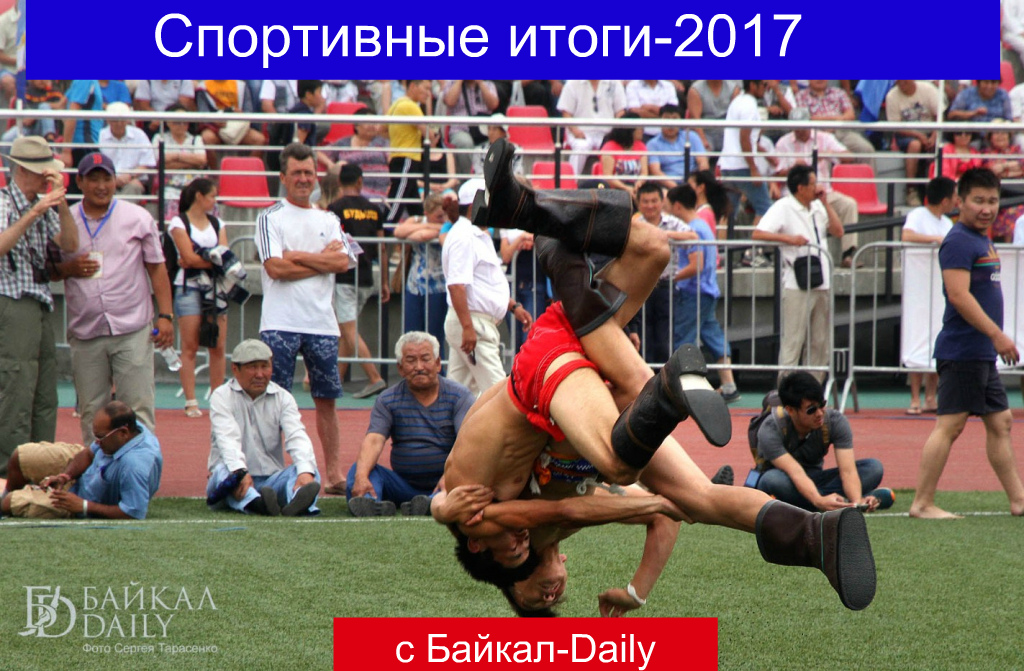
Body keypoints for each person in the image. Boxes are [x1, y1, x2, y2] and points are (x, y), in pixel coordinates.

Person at [451, 138, 876, 612]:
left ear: (496, 566)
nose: (549, 590)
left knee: (620, 462)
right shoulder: (536, 530)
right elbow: (663, 516)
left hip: (546, 373)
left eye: (532, 593)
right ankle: (815, 535)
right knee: (655, 248)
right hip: (582, 390)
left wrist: (442, 506)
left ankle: (660, 380)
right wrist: (638, 588)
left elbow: (560, 507)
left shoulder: (495, 522)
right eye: (553, 597)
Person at [910, 168, 1024, 520]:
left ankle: (1019, 500)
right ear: (960, 201)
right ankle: (922, 503)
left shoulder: (979, 239)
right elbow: (958, 295)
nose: (986, 208)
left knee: (1001, 422)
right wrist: (997, 335)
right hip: (962, 350)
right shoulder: (959, 240)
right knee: (950, 425)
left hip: (980, 353)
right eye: (978, 201)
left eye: (992, 201)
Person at [255, 142, 352, 495]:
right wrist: (319, 261)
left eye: (308, 172)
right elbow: (276, 268)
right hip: (279, 323)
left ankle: (334, 474)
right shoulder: (270, 217)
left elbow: (342, 262)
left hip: (321, 323)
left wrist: (296, 256)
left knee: (327, 400)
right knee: (273, 400)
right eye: (296, 173)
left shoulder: (329, 219)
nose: (303, 179)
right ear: (283, 177)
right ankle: (272, 472)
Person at [58, 152, 174, 445]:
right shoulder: (65, 219)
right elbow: (49, 269)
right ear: (79, 181)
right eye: (93, 179)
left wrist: (166, 315)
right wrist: (68, 268)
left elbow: (157, 268)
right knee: (91, 412)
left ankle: (140, 468)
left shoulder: (137, 217)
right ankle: (97, 471)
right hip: (87, 331)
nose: (101, 186)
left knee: (138, 408)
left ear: (115, 181)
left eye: (107, 179)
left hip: (131, 328)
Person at [0, 136, 78, 477]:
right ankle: (8, 473)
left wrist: (61, 203)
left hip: (40, 302)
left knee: (46, 393)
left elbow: (71, 244)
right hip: (12, 300)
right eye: (43, 172)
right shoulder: (4, 202)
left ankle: (40, 469)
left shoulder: (43, 204)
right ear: (24, 171)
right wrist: (34, 212)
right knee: (16, 387)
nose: (48, 177)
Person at [346, 332, 474, 517]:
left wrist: (450, 477)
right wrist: (361, 476)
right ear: (400, 368)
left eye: (425, 359)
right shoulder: (387, 399)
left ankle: (433, 501)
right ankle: (369, 502)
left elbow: (467, 443)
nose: (419, 367)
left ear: (438, 363)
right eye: (411, 361)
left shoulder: (460, 396)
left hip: (449, 480)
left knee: (470, 475)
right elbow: (374, 440)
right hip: (403, 484)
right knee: (358, 470)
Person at [206, 340, 321, 517]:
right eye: (253, 367)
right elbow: (227, 439)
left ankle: (297, 500)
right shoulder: (221, 396)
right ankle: (256, 502)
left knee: (309, 469)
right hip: (232, 475)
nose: (260, 374)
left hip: (271, 480)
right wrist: (240, 471)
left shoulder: (283, 397)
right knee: (226, 474)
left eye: (265, 366)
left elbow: (297, 436)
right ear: (235, 369)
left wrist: (305, 472)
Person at [752, 164, 844, 382]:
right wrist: (788, 239)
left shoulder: (818, 206)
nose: (817, 187)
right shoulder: (783, 207)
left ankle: (813, 390)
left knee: (819, 342)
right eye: (813, 184)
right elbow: (758, 234)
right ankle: (785, 390)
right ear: (800, 188)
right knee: (793, 341)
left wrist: (825, 203)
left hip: (822, 281)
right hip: (797, 283)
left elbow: (838, 231)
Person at [442, 179, 533, 395]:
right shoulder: (465, 236)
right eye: (491, 201)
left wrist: (512, 306)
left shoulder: (475, 234)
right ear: (475, 205)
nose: (496, 207)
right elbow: (456, 286)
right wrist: (467, 328)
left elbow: (482, 283)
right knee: (500, 394)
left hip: (474, 323)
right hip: (473, 324)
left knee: (460, 395)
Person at [753, 372, 890, 512]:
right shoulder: (771, 429)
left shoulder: (835, 421)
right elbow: (795, 472)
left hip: (817, 479)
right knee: (771, 480)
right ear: (791, 410)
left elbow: (848, 471)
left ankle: (824, 503)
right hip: (787, 479)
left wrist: (857, 502)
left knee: (874, 468)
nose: (819, 413)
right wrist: (819, 501)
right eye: (811, 409)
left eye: (822, 404)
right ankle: (831, 501)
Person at [1, 401, 162, 520]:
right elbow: (89, 454)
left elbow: (134, 513)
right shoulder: (129, 429)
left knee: (10, 502)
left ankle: (9, 504)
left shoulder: (135, 466)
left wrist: (83, 506)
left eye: (100, 437)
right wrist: (65, 476)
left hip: (85, 500)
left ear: (123, 433)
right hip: (85, 473)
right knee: (20, 456)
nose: (96, 442)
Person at [665, 184, 740, 402]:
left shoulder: (693, 229)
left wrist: (670, 278)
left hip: (693, 292)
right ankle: (729, 385)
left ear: (677, 206)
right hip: (707, 290)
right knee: (714, 337)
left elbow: (695, 265)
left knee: (683, 340)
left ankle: (684, 388)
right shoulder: (701, 225)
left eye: (668, 205)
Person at [327, 164, 389, 400]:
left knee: (348, 330)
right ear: (360, 181)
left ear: (339, 183)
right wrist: (384, 281)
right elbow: (383, 248)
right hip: (366, 278)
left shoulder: (334, 208)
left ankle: (374, 378)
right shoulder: (374, 209)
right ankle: (336, 380)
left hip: (344, 277)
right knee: (346, 331)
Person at [168, 178, 229, 418]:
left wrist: (198, 259)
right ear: (199, 196)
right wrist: (209, 259)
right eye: (212, 196)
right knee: (190, 345)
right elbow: (188, 257)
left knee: (218, 345)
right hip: (189, 287)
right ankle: (191, 400)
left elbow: (223, 255)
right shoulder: (178, 222)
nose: (214, 201)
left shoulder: (217, 223)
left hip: (215, 287)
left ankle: (217, 399)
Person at [773, 107, 861, 268]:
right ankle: (789, 258)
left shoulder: (824, 138)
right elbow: (776, 173)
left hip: (822, 192)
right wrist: (793, 169)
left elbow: (849, 156)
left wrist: (828, 153)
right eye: (796, 127)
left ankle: (848, 254)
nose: (800, 131)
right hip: (796, 195)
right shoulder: (783, 143)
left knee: (849, 204)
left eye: (803, 126)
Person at [901, 176, 956, 415]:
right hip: (919, 289)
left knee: (936, 339)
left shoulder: (947, 222)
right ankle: (915, 397)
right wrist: (933, 239)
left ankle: (931, 397)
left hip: (939, 289)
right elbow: (907, 236)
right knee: (917, 338)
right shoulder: (918, 215)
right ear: (945, 199)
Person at [630, 182, 695, 364]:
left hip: (666, 285)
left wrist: (664, 235)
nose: (650, 205)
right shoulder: (634, 224)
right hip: (640, 287)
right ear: (638, 203)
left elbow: (693, 236)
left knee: (664, 338)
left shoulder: (672, 222)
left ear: (661, 202)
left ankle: (664, 376)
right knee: (643, 336)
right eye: (645, 201)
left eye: (654, 201)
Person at [393, 193, 448, 348]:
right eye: (439, 216)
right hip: (414, 286)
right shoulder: (418, 220)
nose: (443, 219)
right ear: (427, 214)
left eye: (444, 215)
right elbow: (398, 232)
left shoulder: (447, 226)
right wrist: (429, 226)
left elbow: (421, 236)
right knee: (410, 335)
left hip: (437, 288)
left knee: (434, 337)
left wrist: (429, 227)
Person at [718, 80, 773, 231]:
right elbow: (744, 138)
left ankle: (723, 246)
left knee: (728, 212)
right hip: (742, 166)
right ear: (753, 85)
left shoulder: (737, 102)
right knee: (765, 208)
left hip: (727, 165)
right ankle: (754, 245)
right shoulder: (749, 105)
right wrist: (753, 168)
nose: (766, 88)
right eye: (763, 85)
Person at [885, 80, 940, 206]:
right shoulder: (891, 96)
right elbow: (895, 126)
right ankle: (911, 189)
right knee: (915, 145)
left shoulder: (928, 89)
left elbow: (939, 116)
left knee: (942, 147)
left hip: (931, 131)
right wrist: (918, 135)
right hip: (906, 134)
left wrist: (934, 136)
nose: (901, 83)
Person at [557, 80, 627, 175]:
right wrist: (575, 131)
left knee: (613, 147)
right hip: (581, 133)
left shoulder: (615, 82)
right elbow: (566, 112)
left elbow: (620, 111)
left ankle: (613, 182)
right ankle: (571, 181)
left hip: (607, 133)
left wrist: (615, 133)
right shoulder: (572, 83)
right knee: (581, 147)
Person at [385, 79, 431, 223]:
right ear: (412, 86)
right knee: (397, 200)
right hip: (407, 158)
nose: (428, 94)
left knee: (414, 205)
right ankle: (385, 229)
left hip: (398, 157)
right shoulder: (410, 106)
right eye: (426, 88)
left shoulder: (396, 104)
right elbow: (429, 134)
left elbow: (382, 129)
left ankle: (422, 231)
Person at [151, 105, 207, 222]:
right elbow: (159, 161)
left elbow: (202, 160)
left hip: (193, 182)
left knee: (203, 195)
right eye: (177, 122)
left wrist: (176, 157)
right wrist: (191, 162)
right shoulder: (159, 138)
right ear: (168, 123)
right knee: (168, 196)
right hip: (168, 183)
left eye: (184, 122)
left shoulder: (196, 139)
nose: (181, 125)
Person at [440, 79, 500, 176]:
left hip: (484, 131)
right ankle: (469, 178)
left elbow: (494, 104)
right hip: (460, 129)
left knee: (496, 142)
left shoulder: (488, 84)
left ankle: (489, 178)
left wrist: (480, 83)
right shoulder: (452, 83)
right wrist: (459, 80)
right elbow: (449, 101)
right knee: (465, 143)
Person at [97, 102, 156, 197]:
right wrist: (112, 179)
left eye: (122, 120)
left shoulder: (139, 135)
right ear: (108, 120)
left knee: (134, 186)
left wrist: (130, 176)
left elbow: (147, 163)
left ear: (128, 120)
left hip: (133, 179)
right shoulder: (100, 136)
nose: (119, 124)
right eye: (115, 120)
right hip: (106, 179)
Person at [647, 104, 709, 188]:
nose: (671, 123)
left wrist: (698, 182)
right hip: (668, 186)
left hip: (693, 183)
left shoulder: (691, 136)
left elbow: (703, 163)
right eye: (667, 119)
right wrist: (677, 188)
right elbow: (656, 171)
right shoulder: (652, 144)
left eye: (675, 118)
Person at [597, 113, 648, 201]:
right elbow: (608, 176)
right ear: (630, 130)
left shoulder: (641, 146)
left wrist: (639, 183)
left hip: (635, 187)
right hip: (614, 188)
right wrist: (626, 188)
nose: (643, 131)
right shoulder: (609, 147)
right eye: (640, 128)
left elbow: (644, 173)